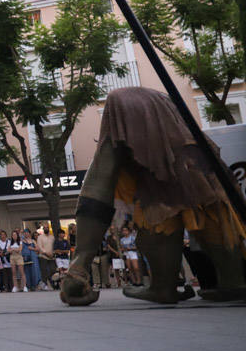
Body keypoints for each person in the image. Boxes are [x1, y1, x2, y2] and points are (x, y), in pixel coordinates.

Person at [60, 88, 246, 306]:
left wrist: (80, 264)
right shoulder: (174, 119)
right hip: (204, 171)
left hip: (166, 188)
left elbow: (98, 184)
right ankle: (233, 280)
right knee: (213, 214)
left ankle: (163, 286)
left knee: (158, 218)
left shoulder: (118, 113)